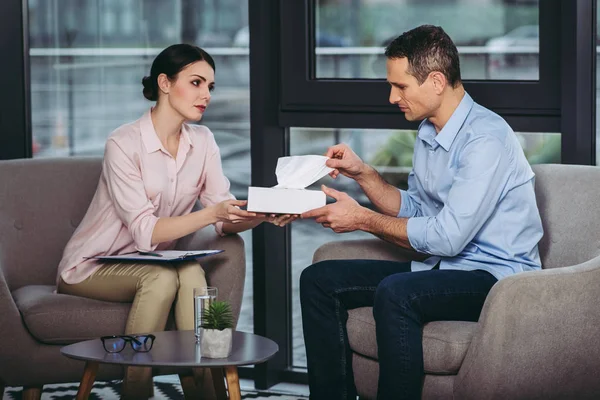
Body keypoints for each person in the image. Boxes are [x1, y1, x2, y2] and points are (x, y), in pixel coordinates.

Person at [300, 25, 543, 400]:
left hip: (496, 278)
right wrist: (362, 174)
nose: (392, 97)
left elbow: (447, 237)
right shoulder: (431, 131)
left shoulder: (486, 140)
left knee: (397, 292)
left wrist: (362, 219)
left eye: (401, 86)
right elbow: (416, 209)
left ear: (435, 81)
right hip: (442, 268)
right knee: (318, 280)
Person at [56, 44, 295, 399]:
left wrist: (260, 214)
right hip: (91, 267)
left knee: (191, 272)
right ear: (165, 83)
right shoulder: (123, 144)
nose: (206, 95)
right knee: (162, 278)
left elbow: (222, 217)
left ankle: (204, 392)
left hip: (155, 263)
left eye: (210, 87)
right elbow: (145, 231)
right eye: (197, 82)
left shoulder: (203, 141)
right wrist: (215, 212)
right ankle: (136, 393)